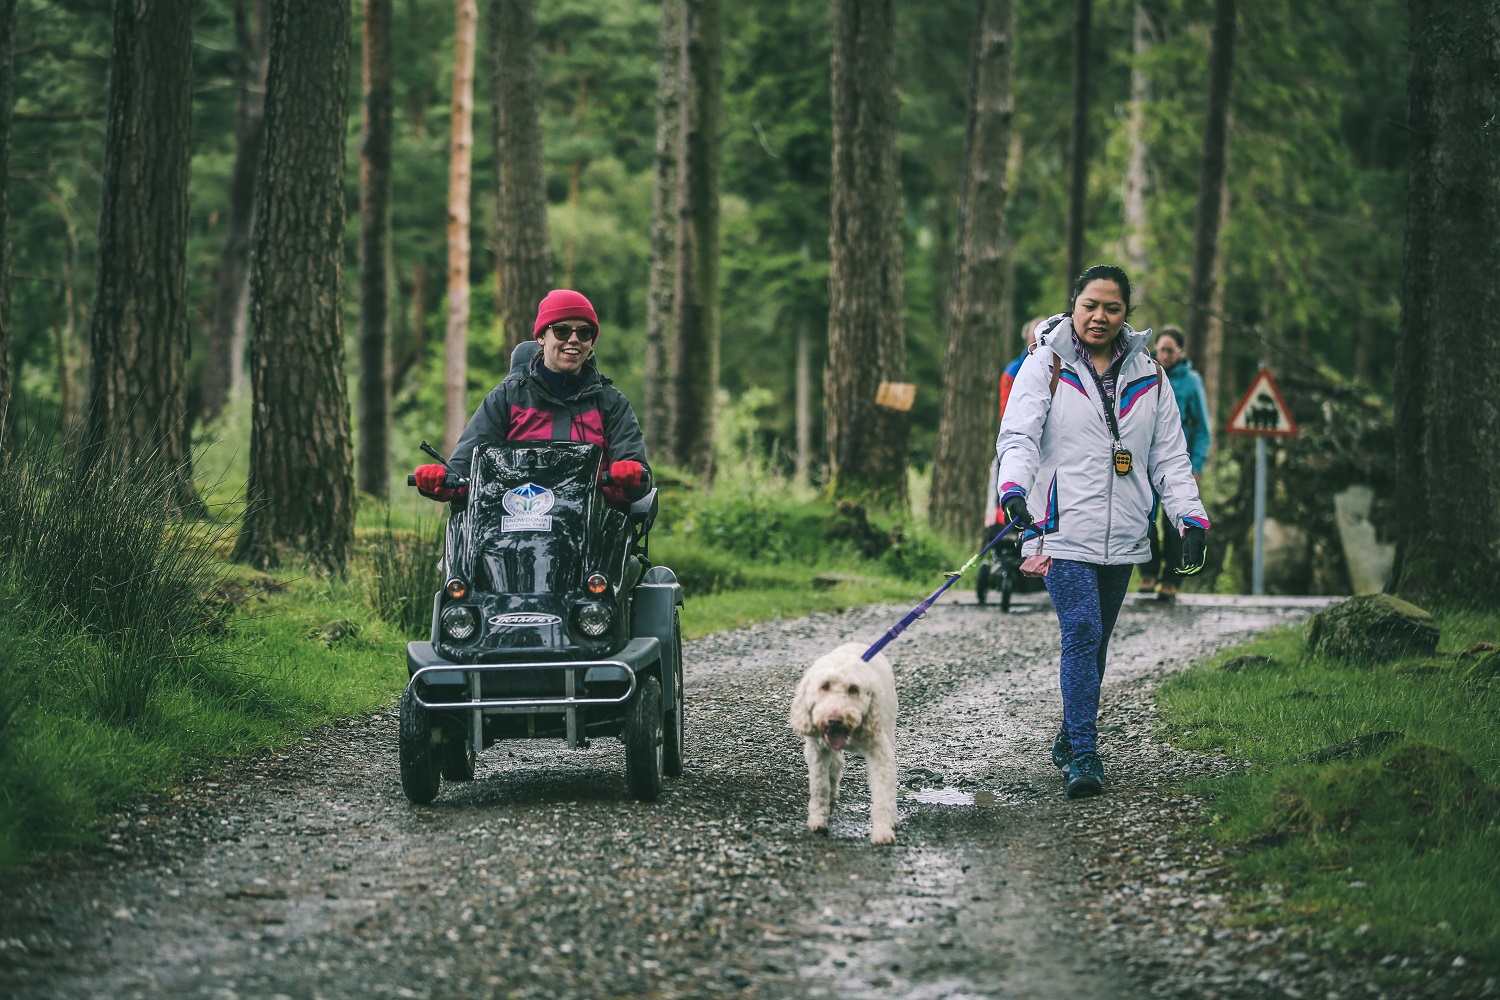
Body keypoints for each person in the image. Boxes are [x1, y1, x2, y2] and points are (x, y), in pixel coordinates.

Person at [996, 265, 1209, 799]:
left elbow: (1169, 457)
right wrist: (1014, 491)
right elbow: (1018, 433)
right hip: (1059, 527)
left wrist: (1189, 516)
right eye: (1090, 304)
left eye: (1112, 308)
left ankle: (1069, 735)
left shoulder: (1151, 375)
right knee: (1084, 630)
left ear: (1125, 315)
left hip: (1124, 535)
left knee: (1097, 642)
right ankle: (1085, 755)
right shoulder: (1044, 364)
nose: (1099, 316)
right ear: (1074, 304)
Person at [412, 289, 651, 506]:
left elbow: (639, 473)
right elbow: (465, 467)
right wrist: (439, 480)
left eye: (584, 332)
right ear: (541, 337)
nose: (574, 339)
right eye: (562, 330)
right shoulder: (506, 397)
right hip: (509, 530)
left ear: (591, 342)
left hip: (591, 531)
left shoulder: (611, 404)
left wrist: (630, 474)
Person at [1138, 326, 1212, 600]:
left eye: (1169, 350)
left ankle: (1171, 578)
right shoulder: (1147, 375)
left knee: (1173, 525)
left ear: (1180, 352)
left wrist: (1197, 466)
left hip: (1179, 463)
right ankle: (1148, 571)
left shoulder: (1191, 382)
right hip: (1145, 464)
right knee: (1143, 518)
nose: (1164, 355)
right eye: (1160, 349)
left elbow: (1203, 428)